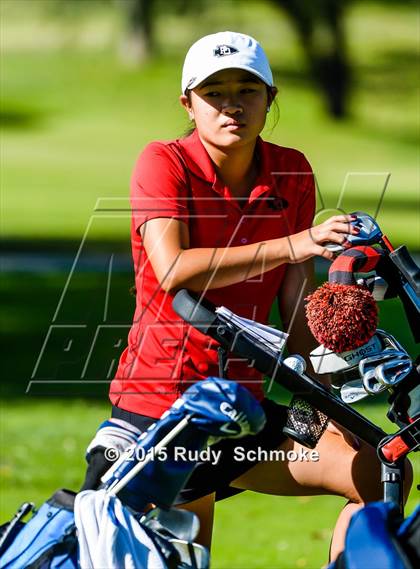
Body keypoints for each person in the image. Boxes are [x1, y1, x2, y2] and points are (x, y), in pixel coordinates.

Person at [84, 31, 412, 561]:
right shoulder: (162, 162)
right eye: (213, 92)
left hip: (248, 413)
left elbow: (295, 289)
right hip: (168, 416)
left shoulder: (291, 169)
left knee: (377, 467)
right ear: (188, 103)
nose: (231, 104)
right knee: (190, 553)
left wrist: (324, 398)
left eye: (247, 90)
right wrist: (296, 242)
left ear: (270, 99)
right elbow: (173, 270)